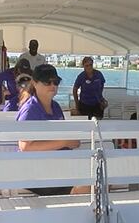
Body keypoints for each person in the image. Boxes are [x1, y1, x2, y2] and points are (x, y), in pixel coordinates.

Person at [17, 64, 87, 196]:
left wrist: (71, 141)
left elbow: (64, 136)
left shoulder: (55, 107)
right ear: (35, 83)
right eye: (47, 82)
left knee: (103, 179)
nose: (52, 85)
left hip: (58, 167)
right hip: (36, 173)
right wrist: (64, 142)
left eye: (56, 82)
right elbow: (25, 146)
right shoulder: (30, 110)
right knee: (92, 188)